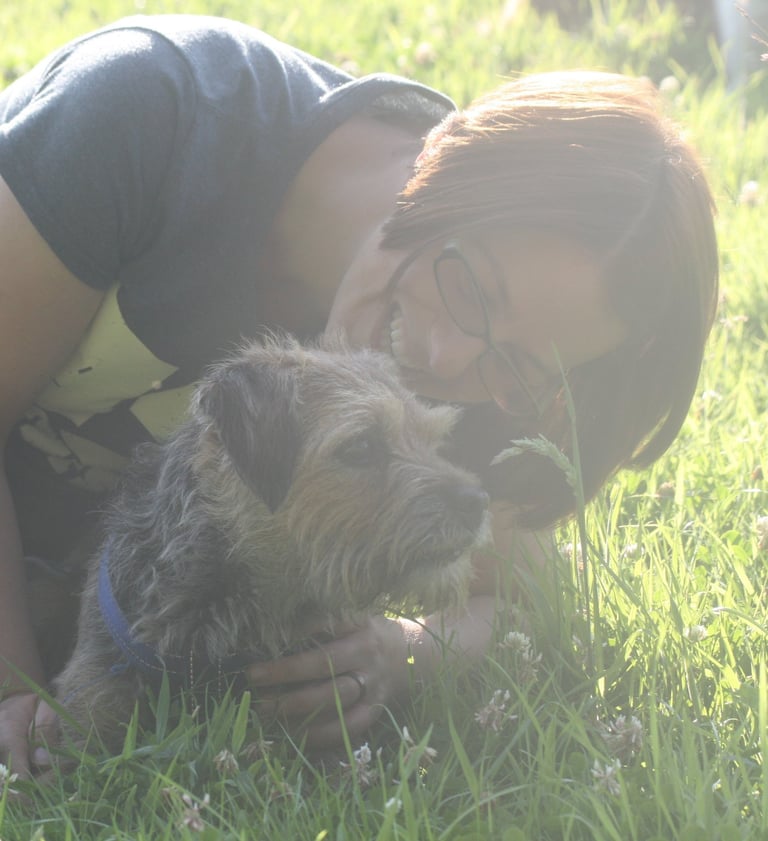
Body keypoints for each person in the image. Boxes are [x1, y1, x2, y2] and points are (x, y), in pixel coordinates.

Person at [0, 14, 718, 777]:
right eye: (474, 285)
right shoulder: (151, 113)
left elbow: (516, 599)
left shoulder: (482, 387)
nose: (445, 358)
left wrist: (405, 652)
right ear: (446, 172)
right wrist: (14, 684)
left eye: (519, 365)